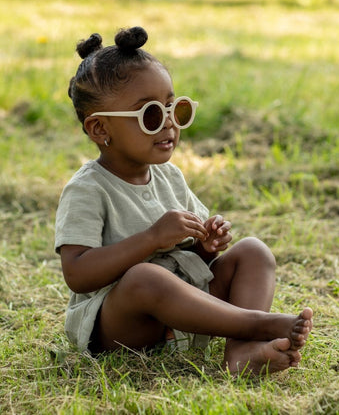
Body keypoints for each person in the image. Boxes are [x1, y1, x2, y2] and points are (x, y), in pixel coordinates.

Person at [55, 26, 313, 375]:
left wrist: (208, 246)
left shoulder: (169, 176)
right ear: (100, 129)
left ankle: (240, 352)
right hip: (118, 326)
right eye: (150, 116)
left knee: (254, 251)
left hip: (175, 309)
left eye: (174, 110)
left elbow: (188, 259)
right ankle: (258, 324)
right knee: (144, 278)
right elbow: (77, 273)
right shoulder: (88, 189)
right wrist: (151, 239)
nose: (169, 126)